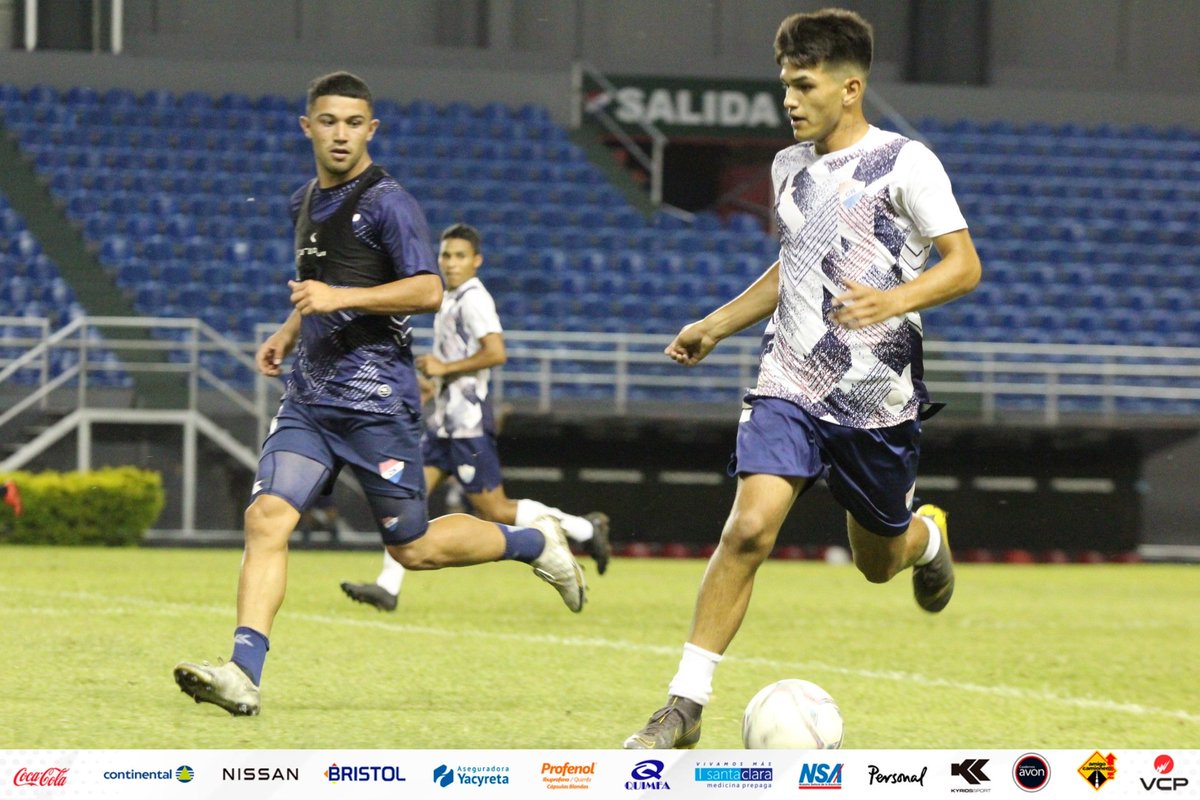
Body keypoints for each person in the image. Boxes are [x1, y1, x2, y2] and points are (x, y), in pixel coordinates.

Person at [173, 72, 585, 717]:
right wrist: (289, 328)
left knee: (412, 547)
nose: (341, 134)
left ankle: (537, 544)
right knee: (266, 519)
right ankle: (242, 673)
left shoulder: (390, 202)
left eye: (354, 122)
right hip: (309, 400)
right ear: (307, 126)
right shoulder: (302, 200)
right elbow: (318, 281)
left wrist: (340, 298)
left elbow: (425, 290)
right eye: (329, 121)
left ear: (371, 129)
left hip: (377, 406)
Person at [623, 8, 981, 749]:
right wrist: (719, 323)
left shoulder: (906, 161)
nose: (789, 99)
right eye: (784, 84)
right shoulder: (789, 167)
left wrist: (894, 298)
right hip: (790, 379)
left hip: (875, 398)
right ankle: (683, 706)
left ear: (850, 87)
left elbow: (963, 264)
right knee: (749, 527)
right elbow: (799, 263)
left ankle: (924, 538)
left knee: (877, 562)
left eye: (804, 84)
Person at [340, 223, 612, 612]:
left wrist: (443, 367)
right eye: (446, 255)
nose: (451, 263)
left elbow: (495, 352)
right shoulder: (449, 299)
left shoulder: (474, 299)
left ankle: (585, 528)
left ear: (477, 261)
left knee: (495, 510)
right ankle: (388, 586)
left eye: (460, 256)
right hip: (443, 423)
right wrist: (434, 382)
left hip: (467, 424)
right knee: (405, 497)